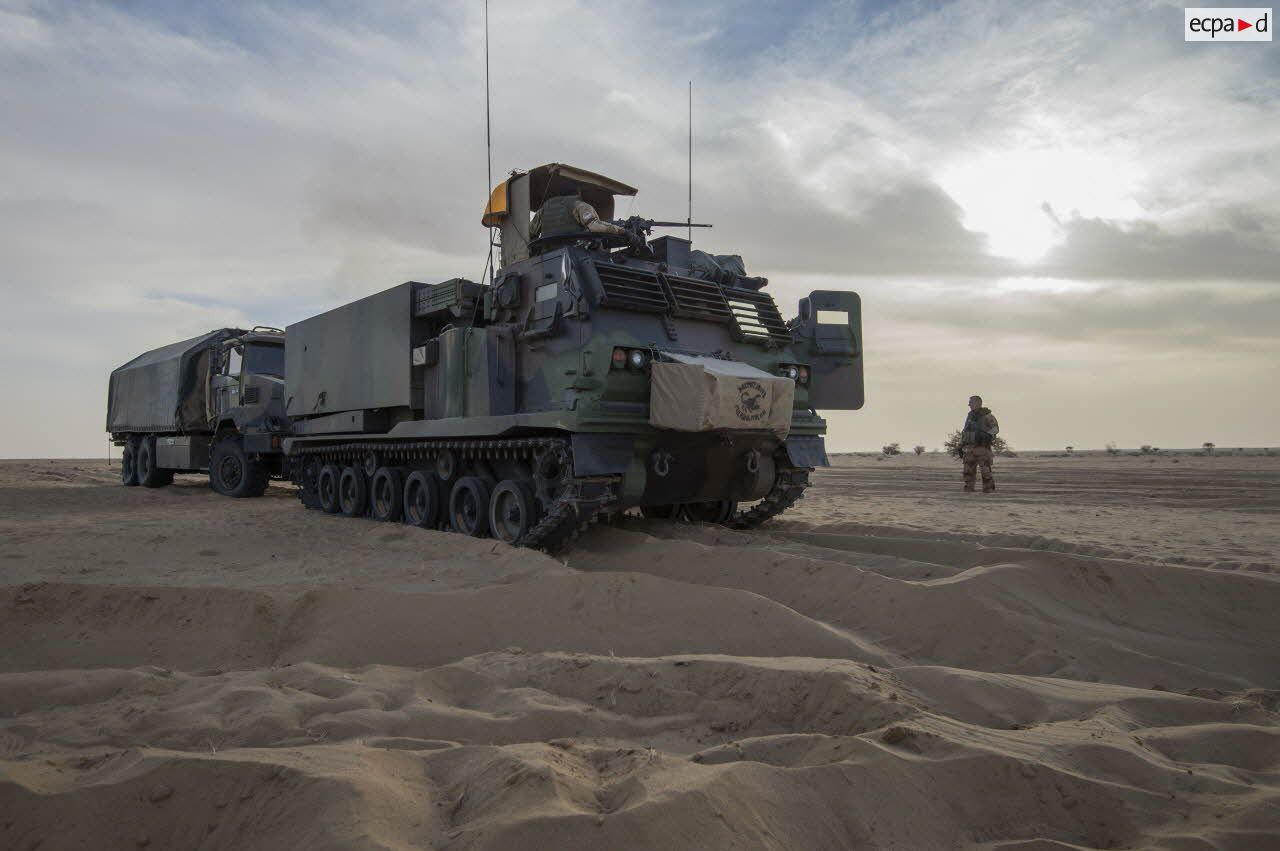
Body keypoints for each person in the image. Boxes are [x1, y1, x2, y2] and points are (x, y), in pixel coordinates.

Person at [530, 192, 641, 246]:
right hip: (572, 251)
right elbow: (595, 226)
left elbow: (530, 232)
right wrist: (625, 232)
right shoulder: (580, 205)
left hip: (546, 256)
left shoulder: (544, 209)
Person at [960, 395, 1000, 493]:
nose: (969, 404)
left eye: (971, 402)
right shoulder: (970, 416)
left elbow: (995, 429)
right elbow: (965, 431)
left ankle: (988, 491)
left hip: (982, 448)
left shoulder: (988, 416)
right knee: (968, 473)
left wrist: (985, 436)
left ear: (978, 403)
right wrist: (961, 445)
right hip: (969, 449)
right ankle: (968, 491)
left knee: (986, 472)